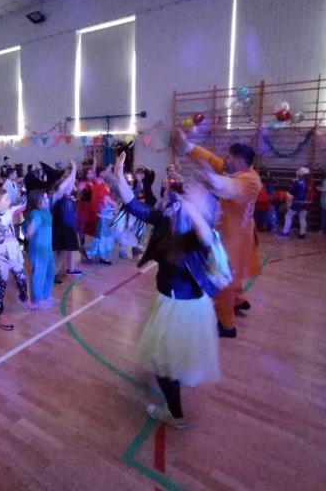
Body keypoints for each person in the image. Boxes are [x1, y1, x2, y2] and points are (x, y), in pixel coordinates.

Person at [111, 153, 222, 429]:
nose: (170, 201)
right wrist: (119, 173)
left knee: (162, 363)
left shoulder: (198, 234)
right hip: (176, 302)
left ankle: (175, 414)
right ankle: (176, 385)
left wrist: (191, 204)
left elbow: (205, 236)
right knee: (173, 355)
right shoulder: (168, 221)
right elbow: (134, 206)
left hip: (180, 306)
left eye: (176, 198)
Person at [177, 128, 262, 338]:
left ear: (239, 161)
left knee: (222, 275)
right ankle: (239, 300)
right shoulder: (236, 171)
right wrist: (187, 146)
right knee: (234, 272)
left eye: (229, 157)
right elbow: (212, 160)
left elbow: (231, 188)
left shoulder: (250, 180)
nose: (225, 159)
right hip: (236, 232)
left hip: (236, 236)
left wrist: (210, 178)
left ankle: (226, 324)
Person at [0, 187, 32, 330]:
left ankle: (23, 298)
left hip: (12, 252)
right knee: (1, 285)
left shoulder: (8, 211)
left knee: (22, 278)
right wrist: (5, 225)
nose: (9, 201)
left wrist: (23, 190)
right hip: (0, 256)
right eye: (6, 199)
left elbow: (23, 205)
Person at [25, 189, 56, 309]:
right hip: (38, 250)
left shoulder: (45, 210)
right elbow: (29, 233)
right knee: (39, 273)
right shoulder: (36, 214)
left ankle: (46, 295)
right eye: (44, 198)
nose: (47, 200)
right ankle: (38, 299)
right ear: (36, 202)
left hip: (47, 248)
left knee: (50, 271)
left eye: (47, 197)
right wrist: (29, 231)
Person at [50, 160, 82, 281]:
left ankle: (67, 270)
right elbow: (64, 186)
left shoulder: (67, 197)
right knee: (62, 253)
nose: (70, 186)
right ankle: (52, 274)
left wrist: (73, 171)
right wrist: (74, 169)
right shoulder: (57, 195)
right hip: (61, 228)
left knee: (67, 251)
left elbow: (70, 183)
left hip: (68, 228)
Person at [281, 167, 311, 239]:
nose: (297, 172)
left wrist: (290, 201)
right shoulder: (307, 182)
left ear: (302, 173)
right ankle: (302, 234)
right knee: (302, 218)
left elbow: (292, 193)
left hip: (297, 202)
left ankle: (285, 232)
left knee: (288, 216)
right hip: (305, 202)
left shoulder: (298, 183)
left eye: (299, 171)